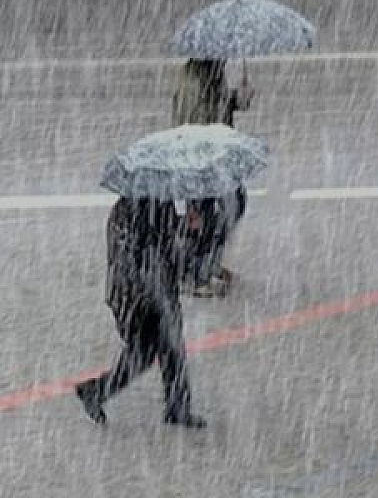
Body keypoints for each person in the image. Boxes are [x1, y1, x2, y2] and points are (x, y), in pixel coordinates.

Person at [74, 196, 206, 429]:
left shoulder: (139, 207)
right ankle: (98, 391)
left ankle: (175, 405)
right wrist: (189, 230)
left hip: (139, 292)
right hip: (143, 294)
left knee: (160, 349)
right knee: (157, 349)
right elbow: (167, 256)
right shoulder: (146, 211)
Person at [172, 58, 252, 296]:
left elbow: (217, 106)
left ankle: (205, 263)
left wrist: (237, 99)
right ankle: (193, 273)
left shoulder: (211, 72)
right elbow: (196, 124)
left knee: (230, 204)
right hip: (202, 160)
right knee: (207, 213)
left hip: (214, 156)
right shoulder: (196, 81)